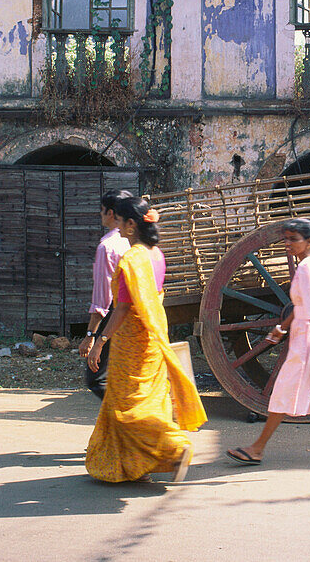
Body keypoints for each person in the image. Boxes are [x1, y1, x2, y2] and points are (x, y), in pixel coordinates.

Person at [85, 196, 206, 483]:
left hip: (131, 342)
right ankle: (135, 463)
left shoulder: (132, 259)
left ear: (130, 225)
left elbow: (125, 307)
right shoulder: (156, 254)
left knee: (128, 407)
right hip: (152, 338)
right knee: (150, 400)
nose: (115, 225)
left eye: (120, 221)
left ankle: (175, 447)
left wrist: (100, 341)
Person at [226, 218, 310, 466]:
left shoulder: (308, 268)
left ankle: (257, 448)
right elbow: (303, 306)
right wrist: (282, 327)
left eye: (293, 239)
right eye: (286, 238)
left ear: (308, 241)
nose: (287, 243)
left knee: (284, 390)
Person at [79, 189, 132, 399]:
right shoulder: (136, 242)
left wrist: (91, 336)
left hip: (116, 314)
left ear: (111, 213)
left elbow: (102, 300)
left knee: (96, 378)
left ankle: (128, 420)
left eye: (102, 211)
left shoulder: (107, 247)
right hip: (138, 314)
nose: (100, 215)